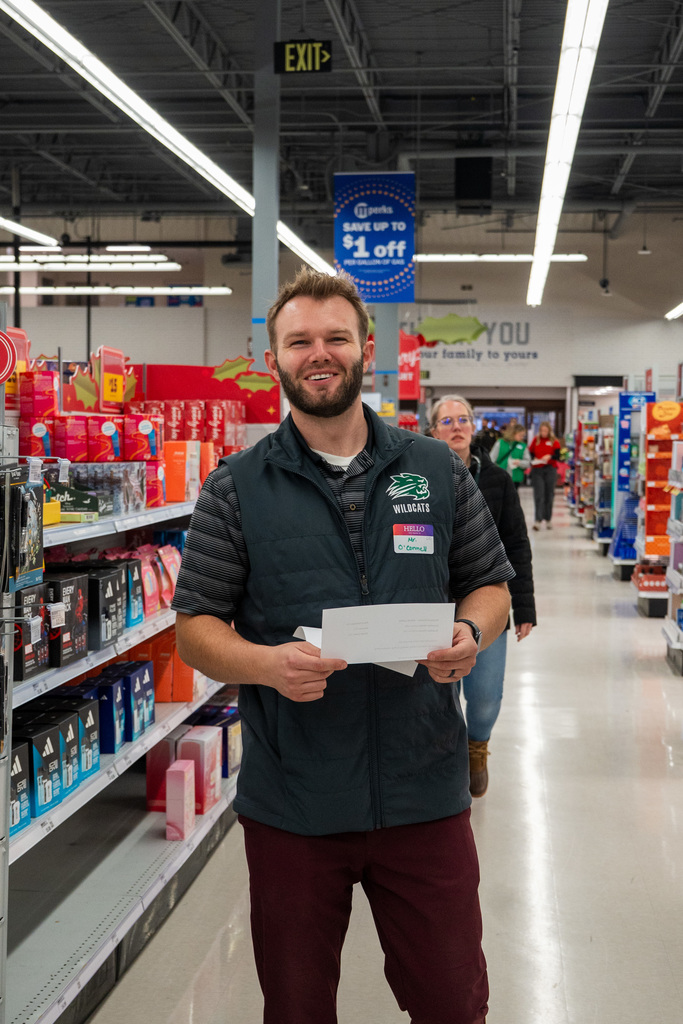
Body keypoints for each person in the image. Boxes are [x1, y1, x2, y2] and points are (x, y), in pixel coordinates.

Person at [172, 266, 514, 1024]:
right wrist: (265, 665)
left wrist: (469, 632)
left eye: (334, 337)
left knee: (453, 1001)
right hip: (295, 800)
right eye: (299, 341)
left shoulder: (433, 469)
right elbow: (194, 626)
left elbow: (490, 584)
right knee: (296, 1008)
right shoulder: (235, 487)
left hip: (424, 789)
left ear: (365, 348)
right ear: (275, 360)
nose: (317, 353)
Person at [430, 396, 535, 796]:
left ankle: (478, 748)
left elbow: (516, 544)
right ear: (434, 429)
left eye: (463, 420)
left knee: (486, 695)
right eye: (446, 421)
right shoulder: (417, 476)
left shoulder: (498, 480)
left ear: (474, 427)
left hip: (488, 604)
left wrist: (524, 606)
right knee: (442, 693)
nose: (456, 427)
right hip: (436, 606)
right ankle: (451, 761)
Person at [528, 420, 562, 529]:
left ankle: (548, 519)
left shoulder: (554, 441)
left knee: (549, 494)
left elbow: (558, 456)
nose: (544, 433)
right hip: (537, 469)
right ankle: (538, 519)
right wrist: (535, 459)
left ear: (549, 431)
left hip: (550, 469)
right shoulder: (535, 440)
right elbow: (530, 453)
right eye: (542, 431)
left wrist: (549, 457)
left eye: (546, 431)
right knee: (539, 495)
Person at [490, 423, 531, 490]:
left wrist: (519, 462)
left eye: (523, 435)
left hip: (516, 477)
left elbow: (527, 462)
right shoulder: (500, 443)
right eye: (520, 435)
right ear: (513, 433)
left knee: (512, 498)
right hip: (500, 476)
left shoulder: (523, 446)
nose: (522, 437)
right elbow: (491, 459)